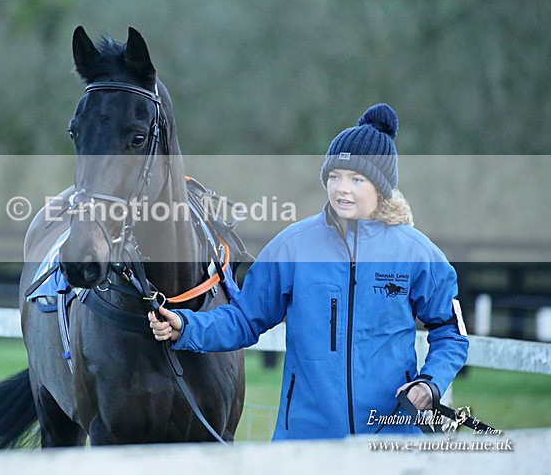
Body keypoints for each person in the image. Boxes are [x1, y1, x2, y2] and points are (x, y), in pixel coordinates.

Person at [149, 104, 469, 439]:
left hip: (390, 439)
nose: (342, 188)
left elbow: (451, 332)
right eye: (335, 176)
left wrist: (430, 384)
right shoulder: (292, 247)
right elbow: (244, 318)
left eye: (356, 179)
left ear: (381, 186)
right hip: (304, 442)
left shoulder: (417, 254)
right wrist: (187, 326)